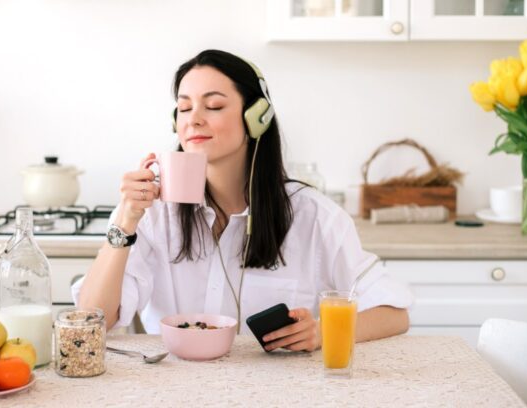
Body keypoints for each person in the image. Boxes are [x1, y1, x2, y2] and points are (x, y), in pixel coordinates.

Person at [72, 49, 412, 352]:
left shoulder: (315, 216)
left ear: (257, 116)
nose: (193, 119)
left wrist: (323, 331)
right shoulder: (150, 213)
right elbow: (92, 321)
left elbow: (393, 314)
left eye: (214, 105)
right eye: (184, 107)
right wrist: (125, 223)